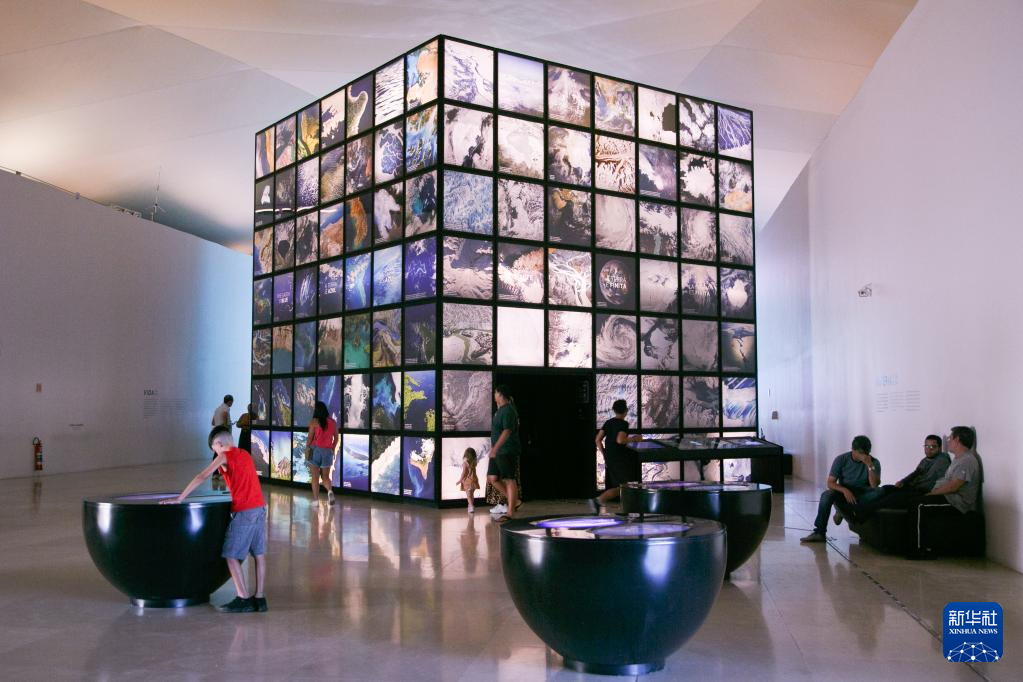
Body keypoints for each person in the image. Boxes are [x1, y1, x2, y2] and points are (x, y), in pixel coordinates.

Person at [161, 425, 267, 613]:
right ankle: (260, 599)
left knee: (231, 556)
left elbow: (202, 476)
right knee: (259, 554)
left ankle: (243, 598)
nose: (215, 453)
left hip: (245, 510)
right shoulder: (244, 454)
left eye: (214, 449)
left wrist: (180, 498)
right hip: (260, 507)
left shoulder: (224, 455)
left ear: (219, 444)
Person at [801, 435, 882, 543]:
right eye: (861, 453)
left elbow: (874, 485)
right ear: (853, 450)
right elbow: (830, 482)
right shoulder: (841, 459)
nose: (865, 456)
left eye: (867, 453)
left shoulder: (873, 462)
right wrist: (845, 490)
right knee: (826, 495)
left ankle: (842, 511)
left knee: (879, 492)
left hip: (862, 494)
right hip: (845, 493)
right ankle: (819, 532)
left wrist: (870, 466)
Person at [849, 434, 951, 519]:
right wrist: (903, 481)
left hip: (922, 491)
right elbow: (915, 473)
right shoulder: (925, 460)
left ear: (939, 448)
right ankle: (860, 507)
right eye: (926, 446)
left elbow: (934, 480)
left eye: (933, 447)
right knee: (887, 488)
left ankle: (860, 511)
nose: (928, 449)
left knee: (893, 497)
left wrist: (916, 488)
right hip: (913, 487)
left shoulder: (942, 460)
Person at [589, 399, 644, 511]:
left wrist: (604, 453)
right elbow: (620, 440)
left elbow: (597, 440)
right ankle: (599, 500)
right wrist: (635, 438)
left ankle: (624, 509)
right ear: (626, 410)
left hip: (610, 457)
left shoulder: (608, 422)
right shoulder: (623, 424)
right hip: (619, 458)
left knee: (623, 486)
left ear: (614, 410)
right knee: (624, 487)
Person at [488, 385, 522, 521]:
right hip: (497, 451)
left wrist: (495, 448)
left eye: (495, 393)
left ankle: (510, 513)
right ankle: (515, 501)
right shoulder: (500, 410)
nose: (494, 395)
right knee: (492, 478)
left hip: (506, 450)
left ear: (500, 394)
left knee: (509, 479)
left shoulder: (508, 410)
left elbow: (507, 431)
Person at [307, 401, 339, 505]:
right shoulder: (333, 422)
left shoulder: (314, 422)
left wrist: (307, 447)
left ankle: (316, 501)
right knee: (325, 477)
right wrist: (332, 448)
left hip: (315, 450)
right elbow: (336, 438)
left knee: (315, 477)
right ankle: (329, 491)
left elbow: (310, 438)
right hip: (327, 452)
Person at [457, 447, 480, 513]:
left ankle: (471, 506)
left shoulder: (465, 463)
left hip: (468, 481)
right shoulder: (474, 462)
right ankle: (470, 506)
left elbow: (464, 472)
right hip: (474, 480)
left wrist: (460, 480)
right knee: (471, 495)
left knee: (468, 496)